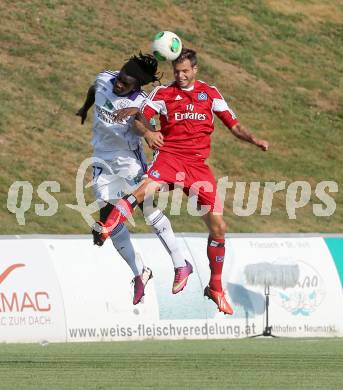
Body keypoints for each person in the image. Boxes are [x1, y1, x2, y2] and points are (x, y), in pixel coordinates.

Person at [94, 48, 269, 315]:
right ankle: (109, 226)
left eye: (185, 71)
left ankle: (215, 287)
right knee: (144, 193)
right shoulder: (163, 93)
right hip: (170, 158)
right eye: (177, 71)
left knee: (218, 226)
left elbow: (234, 125)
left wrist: (254, 139)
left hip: (198, 166)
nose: (181, 75)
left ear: (195, 70)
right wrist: (149, 132)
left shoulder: (210, 94)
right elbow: (142, 117)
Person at [76, 53, 192, 306]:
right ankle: (140, 273)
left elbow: (147, 120)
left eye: (125, 83)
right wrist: (85, 107)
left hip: (129, 161)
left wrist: (147, 129)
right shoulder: (105, 78)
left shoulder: (141, 101)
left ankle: (181, 264)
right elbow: (95, 89)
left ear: (137, 86)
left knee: (148, 210)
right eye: (119, 79)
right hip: (101, 160)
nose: (119, 84)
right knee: (108, 222)